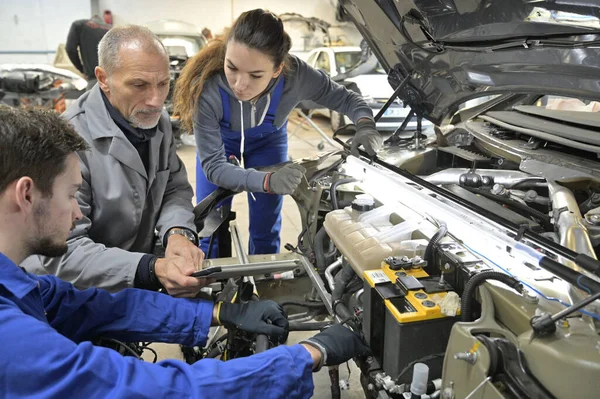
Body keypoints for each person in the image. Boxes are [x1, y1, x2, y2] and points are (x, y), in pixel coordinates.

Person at [0, 105, 370, 397]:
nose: (79, 212)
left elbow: (101, 307)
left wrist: (220, 312)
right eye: (70, 195)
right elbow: (156, 390)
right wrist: (306, 355)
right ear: (26, 193)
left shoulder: (18, 284)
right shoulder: (11, 340)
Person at [174, 9, 383, 257]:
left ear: (277, 69)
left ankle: (265, 283)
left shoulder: (297, 76)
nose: (240, 85)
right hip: (221, 143)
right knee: (208, 225)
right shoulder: (208, 88)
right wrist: (266, 180)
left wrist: (365, 124)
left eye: (255, 75)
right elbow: (215, 168)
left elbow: (348, 99)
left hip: (268, 143)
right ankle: (212, 286)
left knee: (266, 228)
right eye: (232, 68)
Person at [23, 25, 206, 297]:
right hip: (72, 292)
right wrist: (149, 268)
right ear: (103, 78)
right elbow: (63, 249)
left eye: (164, 83)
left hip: (137, 270)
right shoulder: (65, 142)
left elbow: (174, 188)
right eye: (139, 85)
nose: (156, 101)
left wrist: (177, 232)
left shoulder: (158, 121)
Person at [65, 15, 111, 90]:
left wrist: (82, 69)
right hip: (114, 80)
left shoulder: (79, 25)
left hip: (94, 80)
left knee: (93, 101)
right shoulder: (111, 28)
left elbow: (70, 49)